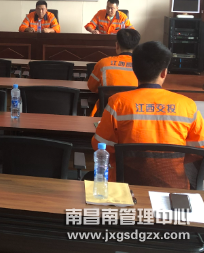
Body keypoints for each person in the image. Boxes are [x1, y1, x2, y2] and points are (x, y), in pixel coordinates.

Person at [92, 41, 204, 184]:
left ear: (134, 70)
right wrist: (172, 162)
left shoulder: (117, 102)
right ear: (164, 72)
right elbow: (199, 150)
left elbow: (100, 145)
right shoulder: (188, 105)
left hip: (125, 186)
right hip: (173, 187)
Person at [87, 29, 141, 116]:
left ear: (117, 45)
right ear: (137, 47)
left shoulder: (103, 63)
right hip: (136, 112)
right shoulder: (142, 65)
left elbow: (91, 87)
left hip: (107, 114)